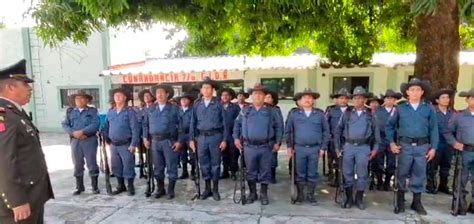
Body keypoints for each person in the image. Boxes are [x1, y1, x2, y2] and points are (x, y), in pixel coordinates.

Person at [0, 59, 54, 223]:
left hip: (33, 195)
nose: (30, 88)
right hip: (19, 203)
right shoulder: (4, 117)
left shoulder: (16, 113)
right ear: (10, 87)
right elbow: (3, 161)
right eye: (25, 84)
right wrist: (16, 201)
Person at [386, 78, 438, 215]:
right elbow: (390, 126)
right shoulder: (400, 108)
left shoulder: (429, 108)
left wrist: (433, 148)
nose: (415, 92)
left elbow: (434, 129)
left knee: (419, 173)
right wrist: (392, 143)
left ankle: (417, 202)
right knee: (402, 173)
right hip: (405, 146)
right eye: (412, 89)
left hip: (422, 146)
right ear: (407, 92)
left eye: (418, 89)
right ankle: (400, 201)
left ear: (422, 92)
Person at [233, 84, 284, 205]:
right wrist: (236, 138)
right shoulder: (245, 110)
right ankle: (252, 193)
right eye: (255, 94)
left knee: (265, 170)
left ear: (264, 96)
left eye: (260, 94)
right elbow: (237, 125)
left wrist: (277, 142)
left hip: (266, 146)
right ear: (251, 96)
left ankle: (263, 194)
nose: (257, 96)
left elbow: (279, 127)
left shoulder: (271, 110)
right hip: (249, 146)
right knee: (251, 171)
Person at [335, 86, 380, 210]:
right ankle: (349, 199)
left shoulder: (371, 115)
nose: (357, 100)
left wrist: (375, 149)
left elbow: (376, 134)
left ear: (364, 99)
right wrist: (338, 148)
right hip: (348, 147)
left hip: (363, 147)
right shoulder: (347, 113)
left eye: (360, 98)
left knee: (362, 174)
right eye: (355, 98)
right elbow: (338, 131)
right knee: (347, 174)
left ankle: (359, 199)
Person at [286, 88, 330, 205]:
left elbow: (326, 132)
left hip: (314, 149)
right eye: (304, 97)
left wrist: (323, 148)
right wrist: (289, 147)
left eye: (310, 98)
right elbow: (288, 131)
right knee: (300, 173)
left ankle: (310, 195)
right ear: (300, 100)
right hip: (299, 148)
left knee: (312, 173)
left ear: (313, 101)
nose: (307, 100)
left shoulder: (320, 115)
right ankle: (300, 195)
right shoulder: (294, 115)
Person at [189, 77, 227, 201]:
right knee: (204, 164)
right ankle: (207, 188)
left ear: (213, 90)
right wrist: (191, 139)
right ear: (201, 90)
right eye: (203, 88)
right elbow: (192, 123)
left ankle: (215, 189)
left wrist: (224, 139)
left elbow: (225, 124)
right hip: (201, 138)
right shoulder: (197, 104)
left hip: (216, 137)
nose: (205, 90)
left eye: (208, 88)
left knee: (215, 164)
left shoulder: (219, 104)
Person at [143, 84, 182, 199]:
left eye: (161, 92)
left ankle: (171, 190)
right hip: (155, 142)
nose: (159, 95)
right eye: (157, 93)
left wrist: (179, 141)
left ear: (167, 94)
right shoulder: (151, 109)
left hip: (169, 141)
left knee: (171, 167)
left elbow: (181, 126)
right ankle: (160, 189)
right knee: (158, 167)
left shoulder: (174, 109)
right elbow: (145, 125)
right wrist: (145, 138)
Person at [102, 88, 140, 196]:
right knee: (116, 166)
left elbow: (135, 129)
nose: (117, 97)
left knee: (128, 165)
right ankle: (120, 185)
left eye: (120, 95)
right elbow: (107, 126)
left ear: (125, 98)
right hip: (113, 144)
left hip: (126, 144)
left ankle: (130, 186)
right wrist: (105, 137)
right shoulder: (111, 112)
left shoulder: (130, 112)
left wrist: (133, 144)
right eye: (115, 96)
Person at [61, 90, 100, 195]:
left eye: (82, 98)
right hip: (75, 141)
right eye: (77, 98)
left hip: (89, 140)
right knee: (77, 163)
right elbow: (65, 124)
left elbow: (95, 124)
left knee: (91, 163)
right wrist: (74, 133)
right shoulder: (70, 111)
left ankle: (94, 187)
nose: (79, 100)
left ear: (87, 100)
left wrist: (83, 131)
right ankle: (79, 187)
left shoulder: (92, 111)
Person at [443, 88, 474, 215]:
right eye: (472, 98)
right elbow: (447, 131)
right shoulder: (459, 116)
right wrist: (455, 143)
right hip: (465, 151)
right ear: (467, 100)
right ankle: (460, 205)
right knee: (461, 180)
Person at [426, 89, 456, 195]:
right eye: (443, 98)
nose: (446, 100)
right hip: (435, 143)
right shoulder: (432, 112)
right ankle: (430, 185)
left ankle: (443, 185)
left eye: (447, 97)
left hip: (448, 144)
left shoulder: (452, 113)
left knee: (446, 166)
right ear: (437, 100)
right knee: (432, 166)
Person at [374, 89, 403, 191]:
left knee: (391, 162)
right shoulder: (378, 110)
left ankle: (387, 181)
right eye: (387, 98)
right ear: (384, 99)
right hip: (381, 139)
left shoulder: (398, 110)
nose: (389, 100)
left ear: (395, 100)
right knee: (379, 161)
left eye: (392, 98)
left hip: (393, 140)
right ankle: (379, 181)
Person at [326, 88, 352, 187]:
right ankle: (336, 179)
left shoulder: (352, 110)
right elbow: (326, 125)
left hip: (348, 140)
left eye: (346, 98)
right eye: (341, 98)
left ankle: (346, 179)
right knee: (335, 160)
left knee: (347, 161)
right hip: (333, 140)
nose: (343, 100)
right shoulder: (331, 110)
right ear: (336, 99)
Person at [218, 88, 241, 180]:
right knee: (224, 153)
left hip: (232, 134)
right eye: (223, 95)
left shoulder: (235, 107)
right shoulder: (218, 107)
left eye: (227, 95)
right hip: (221, 134)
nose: (225, 97)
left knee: (233, 154)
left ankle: (233, 172)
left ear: (231, 97)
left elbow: (238, 121)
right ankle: (225, 171)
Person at [136, 89, 156, 179]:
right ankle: (142, 171)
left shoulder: (155, 108)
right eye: (145, 96)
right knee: (141, 154)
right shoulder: (141, 110)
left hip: (152, 136)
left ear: (152, 97)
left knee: (152, 155)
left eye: (148, 96)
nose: (146, 98)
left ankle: (152, 172)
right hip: (141, 135)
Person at [265, 90, 284, 184]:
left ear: (273, 99)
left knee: (272, 158)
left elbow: (280, 126)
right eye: (266, 97)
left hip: (272, 139)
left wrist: (278, 141)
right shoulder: (259, 109)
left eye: (269, 97)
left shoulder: (276, 110)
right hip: (262, 139)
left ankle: (272, 176)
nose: (267, 99)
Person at [177, 92, 197, 180]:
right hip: (181, 135)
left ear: (189, 101)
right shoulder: (178, 111)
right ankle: (184, 171)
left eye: (185, 99)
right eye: (182, 99)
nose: (183, 101)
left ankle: (193, 171)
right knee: (182, 154)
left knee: (192, 154)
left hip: (190, 134)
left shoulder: (193, 110)